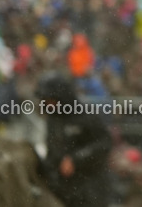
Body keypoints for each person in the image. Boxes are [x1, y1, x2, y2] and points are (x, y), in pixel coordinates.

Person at [35, 73, 112, 207]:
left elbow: (104, 143)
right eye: (45, 101)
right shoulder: (53, 120)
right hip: (62, 189)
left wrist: (76, 159)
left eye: (50, 100)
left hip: (89, 187)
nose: (48, 104)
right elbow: (52, 151)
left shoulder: (86, 114)